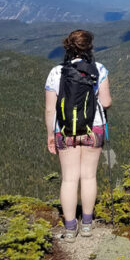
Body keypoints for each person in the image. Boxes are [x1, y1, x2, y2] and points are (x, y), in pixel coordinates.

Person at [44, 29, 112, 242]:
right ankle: (87, 225)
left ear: (68, 47)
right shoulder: (99, 69)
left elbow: (50, 109)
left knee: (69, 179)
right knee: (89, 176)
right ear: (89, 47)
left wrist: (50, 135)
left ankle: (71, 228)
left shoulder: (56, 72)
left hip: (65, 130)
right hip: (95, 129)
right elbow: (107, 102)